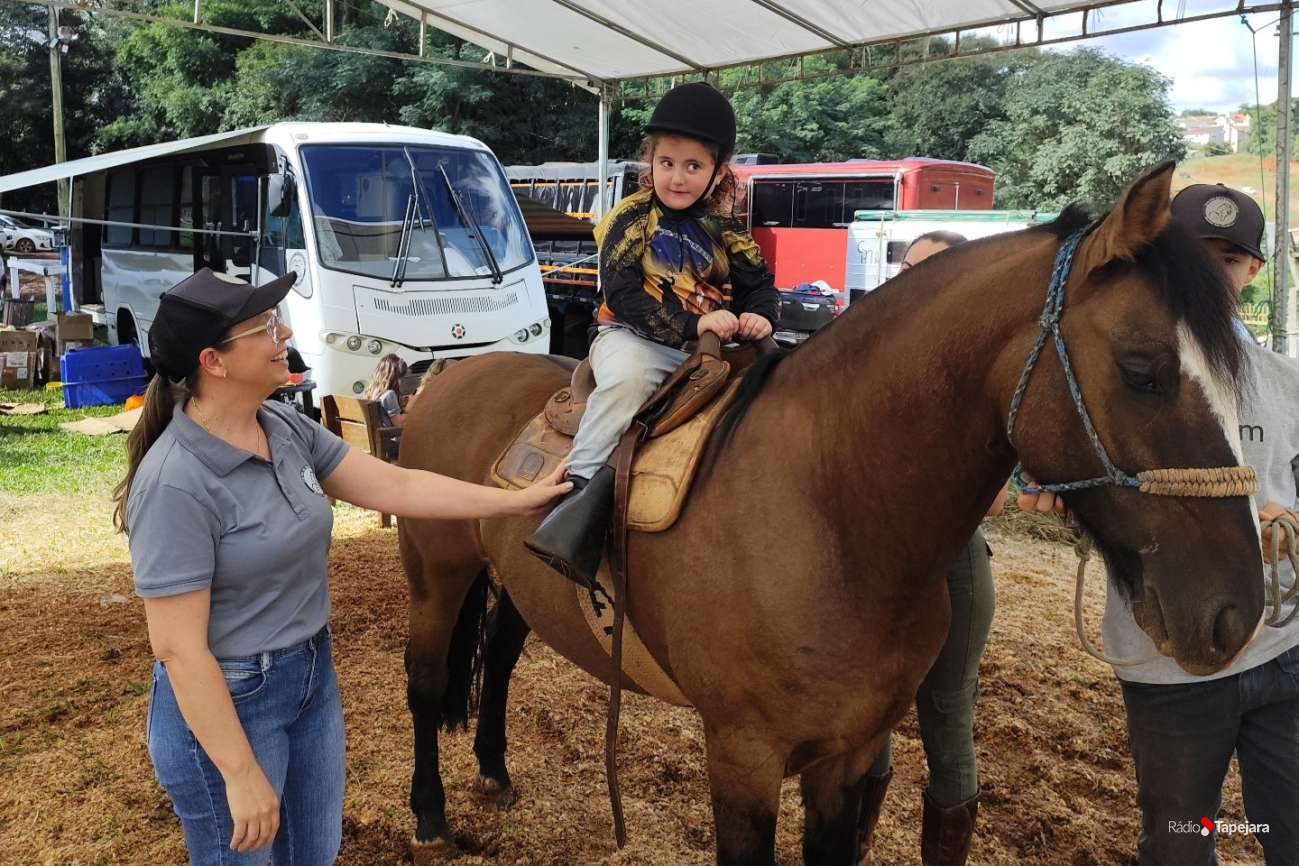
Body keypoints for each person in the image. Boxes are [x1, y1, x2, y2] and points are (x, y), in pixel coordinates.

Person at [113, 268, 569, 866]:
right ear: (214, 362)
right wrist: (239, 769)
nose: (285, 332)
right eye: (265, 326)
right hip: (230, 702)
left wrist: (515, 501)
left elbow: (398, 487)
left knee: (314, 854)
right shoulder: (175, 483)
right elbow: (178, 650)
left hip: (309, 680)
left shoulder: (280, 427)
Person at [1020, 184, 1299, 866]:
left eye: (1228, 260)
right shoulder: (1115, 378)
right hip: (1169, 657)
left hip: (1285, 649)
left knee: (1289, 834)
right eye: (1195, 259)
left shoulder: (1286, 381)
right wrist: (1058, 493)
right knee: (1180, 840)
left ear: (1253, 272)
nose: (1212, 274)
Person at [525, 82, 779, 587]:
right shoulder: (629, 219)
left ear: (717, 172)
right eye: (667, 163)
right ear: (651, 162)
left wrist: (761, 318)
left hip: (711, 349)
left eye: (693, 166)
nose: (678, 177)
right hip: (633, 337)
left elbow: (759, 285)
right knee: (629, 382)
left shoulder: (728, 229)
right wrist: (694, 323)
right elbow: (622, 293)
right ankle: (576, 498)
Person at [857, 231, 1008, 866]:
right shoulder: (865, 353)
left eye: (938, 269)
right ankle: (854, 840)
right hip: (871, 565)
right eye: (912, 268)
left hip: (951, 564)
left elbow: (993, 501)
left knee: (947, 712)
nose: (920, 280)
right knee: (867, 714)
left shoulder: (981, 374)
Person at [362, 353, 409, 428]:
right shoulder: (389, 394)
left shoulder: (371, 391)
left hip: (377, 435)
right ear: (394, 377)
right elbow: (398, 423)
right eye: (399, 378)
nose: (400, 382)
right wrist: (414, 412)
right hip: (390, 437)